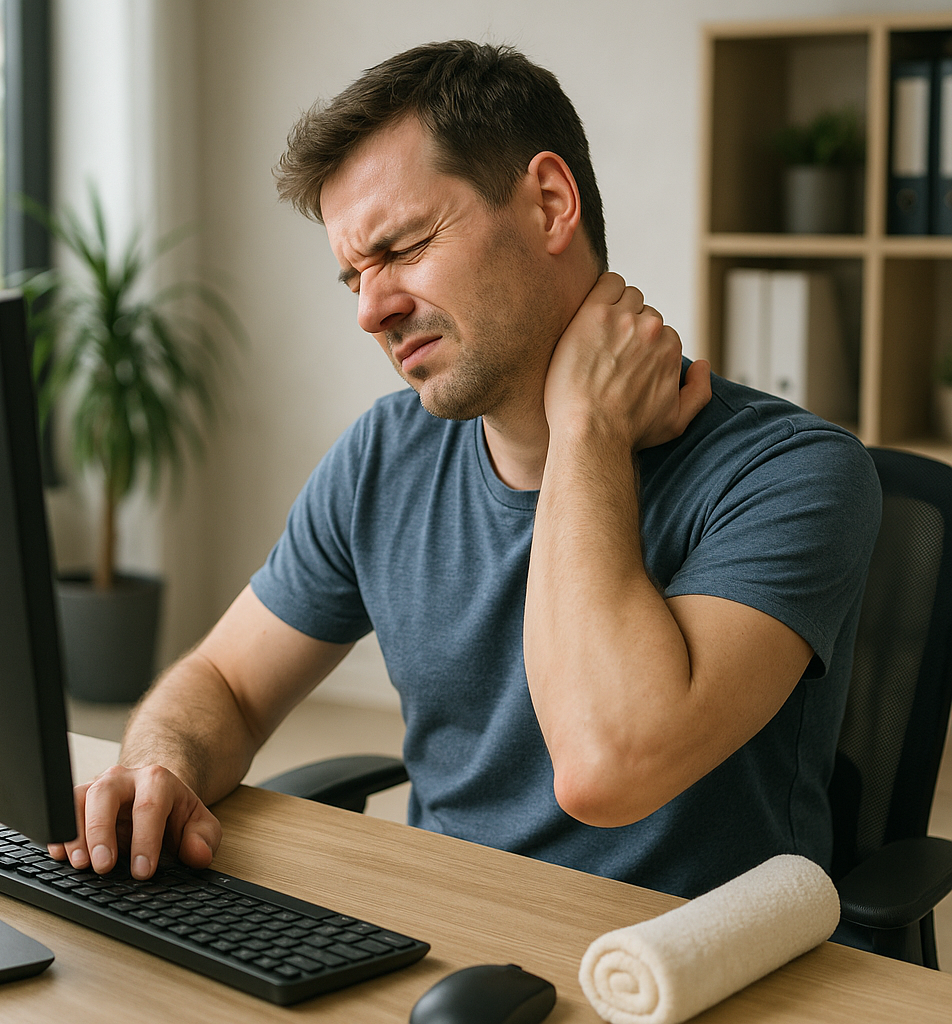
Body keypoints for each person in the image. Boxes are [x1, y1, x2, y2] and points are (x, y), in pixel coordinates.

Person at [50, 40, 881, 899]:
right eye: (354, 276)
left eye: (405, 246)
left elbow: (608, 768)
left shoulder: (791, 473)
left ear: (551, 204)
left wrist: (586, 426)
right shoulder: (384, 455)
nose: (373, 309)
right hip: (444, 938)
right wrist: (160, 767)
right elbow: (225, 681)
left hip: (684, 968)